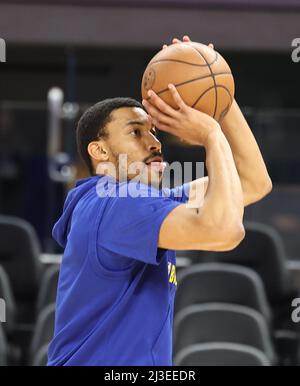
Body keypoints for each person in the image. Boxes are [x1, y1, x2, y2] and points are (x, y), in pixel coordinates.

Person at [47, 36, 272, 366]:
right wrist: (211, 134)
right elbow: (224, 231)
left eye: (154, 130)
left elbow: (252, 181)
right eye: (136, 132)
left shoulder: (143, 205)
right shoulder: (115, 202)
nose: (154, 142)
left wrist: (219, 88)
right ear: (99, 151)